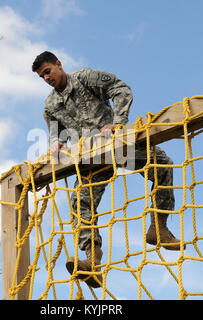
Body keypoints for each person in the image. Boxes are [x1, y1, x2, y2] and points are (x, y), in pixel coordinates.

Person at [32, 51, 184, 288]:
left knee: (162, 165)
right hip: (90, 159)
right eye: (42, 76)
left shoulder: (84, 78)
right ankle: (92, 261)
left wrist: (118, 122)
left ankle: (159, 227)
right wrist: (57, 142)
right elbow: (55, 127)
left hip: (114, 146)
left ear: (59, 65)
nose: (47, 78)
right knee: (79, 203)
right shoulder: (50, 104)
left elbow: (120, 88)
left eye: (48, 71)